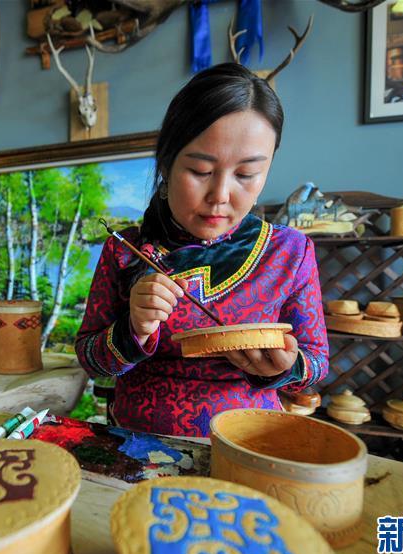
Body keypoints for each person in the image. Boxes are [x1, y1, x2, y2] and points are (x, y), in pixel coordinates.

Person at [74, 63, 328, 437]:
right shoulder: (126, 250)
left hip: (245, 445)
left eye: (246, 175)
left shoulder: (290, 252)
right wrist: (135, 330)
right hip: (133, 449)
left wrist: (284, 367)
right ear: (166, 163)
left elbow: (317, 360)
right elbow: (91, 362)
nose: (221, 196)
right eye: (200, 171)